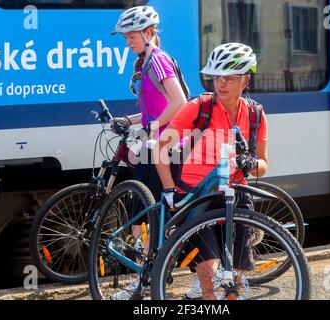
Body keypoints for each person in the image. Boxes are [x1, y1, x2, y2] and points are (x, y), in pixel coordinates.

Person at [155, 43, 268, 300]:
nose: (221, 83)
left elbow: (263, 163)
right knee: (210, 270)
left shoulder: (256, 115)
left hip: (236, 195)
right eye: (216, 77)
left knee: (236, 279)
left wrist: (250, 164)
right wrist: (170, 190)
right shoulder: (199, 108)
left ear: (245, 80)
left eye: (228, 77)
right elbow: (160, 149)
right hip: (198, 194)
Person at [109, 5, 187, 300]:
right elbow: (155, 109)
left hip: (166, 149)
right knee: (141, 215)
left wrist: (154, 125)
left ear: (149, 33)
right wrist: (128, 121)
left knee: (156, 218)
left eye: (131, 36)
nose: (127, 42)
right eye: (126, 37)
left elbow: (179, 101)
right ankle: (144, 278)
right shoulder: (146, 62)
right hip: (150, 144)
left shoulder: (158, 61)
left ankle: (148, 281)